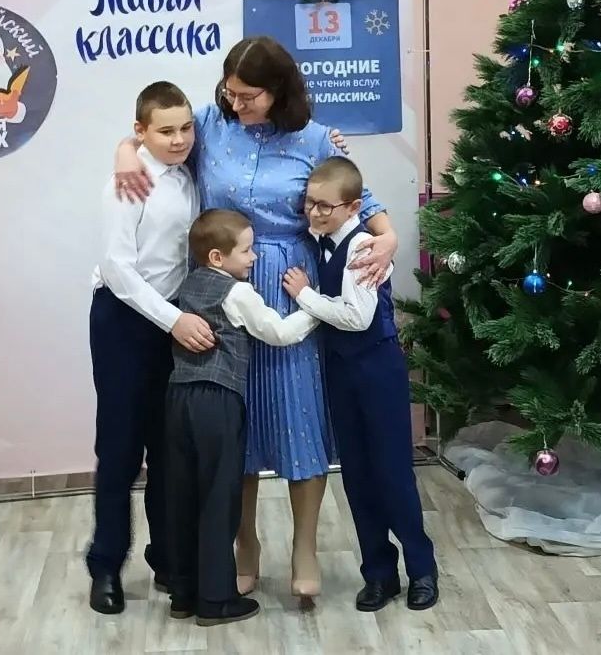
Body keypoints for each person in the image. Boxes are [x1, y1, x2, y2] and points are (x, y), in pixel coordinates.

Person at [113, 36, 398, 599]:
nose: (235, 102)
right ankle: (246, 544)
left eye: (248, 95)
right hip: (222, 290)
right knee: (232, 423)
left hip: (292, 287)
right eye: (230, 91)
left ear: (279, 91)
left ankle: (305, 548)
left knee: (299, 417)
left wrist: (387, 238)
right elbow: (156, 136)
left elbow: (361, 202)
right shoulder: (209, 123)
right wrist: (125, 151)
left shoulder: (316, 139)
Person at [282, 156, 439, 612]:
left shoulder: (364, 246)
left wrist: (305, 296)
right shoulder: (320, 241)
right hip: (341, 372)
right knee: (356, 475)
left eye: (325, 206)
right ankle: (378, 573)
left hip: (377, 370)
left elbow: (357, 317)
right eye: (310, 203)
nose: (314, 213)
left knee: (392, 473)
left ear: (353, 207)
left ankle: (422, 570)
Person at [87, 81, 216, 616]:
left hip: (172, 320)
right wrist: (173, 320)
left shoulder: (189, 172)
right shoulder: (128, 182)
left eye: (186, 128)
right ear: (141, 131)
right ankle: (105, 567)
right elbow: (118, 271)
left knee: (170, 450)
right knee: (120, 450)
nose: (179, 138)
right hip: (125, 322)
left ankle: (168, 560)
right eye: (166, 131)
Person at [166, 209, 320, 626]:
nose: (255, 257)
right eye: (247, 250)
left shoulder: (188, 283)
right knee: (221, 496)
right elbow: (279, 333)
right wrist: (315, 309)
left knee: (184, 495)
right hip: (218, 400)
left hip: (178, 397)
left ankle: (183, 593)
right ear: (218, 257)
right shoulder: (238, 293)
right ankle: (217, 599)